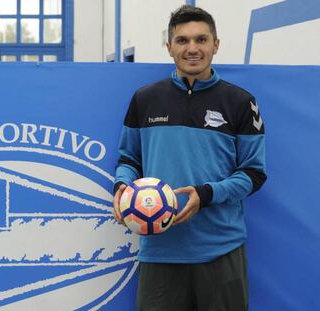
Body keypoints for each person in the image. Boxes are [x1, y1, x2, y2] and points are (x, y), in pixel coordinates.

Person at [113, 4, 267, 311]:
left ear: (216, 45)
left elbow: (253, 173)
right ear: (169, 47)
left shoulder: (240, 102)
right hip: (160, 250)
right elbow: (129, 159)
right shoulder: (144, 99)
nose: (192, 48)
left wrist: (206, 194)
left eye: (201, 39)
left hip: (221, 250)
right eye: (182, 40)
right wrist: (122, 187)